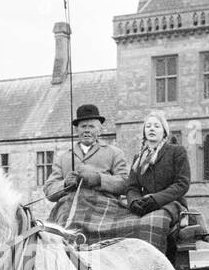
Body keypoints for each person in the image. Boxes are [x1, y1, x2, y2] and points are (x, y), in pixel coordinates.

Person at [44, 103, 131, 236]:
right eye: (83, 126)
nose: (87, 130)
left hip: (103, 208)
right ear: (76, 130)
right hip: (68, 208)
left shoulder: (115, 153)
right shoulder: (63, 157)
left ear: (100, 130)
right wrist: (65, 184)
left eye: (91, 126)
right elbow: (49, 190)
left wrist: (98, 179)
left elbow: (125, 183)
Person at [124, 110, 191, 241]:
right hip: (146, 205)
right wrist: (134, 201)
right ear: (144, 132)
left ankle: (155, 261)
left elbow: (182, 184)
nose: (152, 129)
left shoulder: (176, 152)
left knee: (153, 223)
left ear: (164, 132)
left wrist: (156, 199)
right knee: (127, 224)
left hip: (172, 204)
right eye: (148, 126)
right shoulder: (138, 158)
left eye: (156, 126)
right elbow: (132, 187)